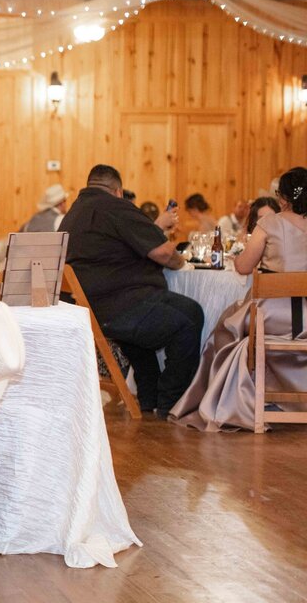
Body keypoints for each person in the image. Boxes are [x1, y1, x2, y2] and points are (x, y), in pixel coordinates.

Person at [59, 164, 203, 418]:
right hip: (119, 305)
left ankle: (149, 397)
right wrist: (183, 264)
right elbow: (163, 252)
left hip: (89, 307)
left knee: (186, 310)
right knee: (187, 323)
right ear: (118, 190)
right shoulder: (116, 206)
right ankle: (171, 401)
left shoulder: (73, 214)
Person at [170, 167, 307, 431]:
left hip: (273, 320)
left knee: (225, 328)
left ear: (285, 197)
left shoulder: (270, 223)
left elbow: (243, 267)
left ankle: (229, 400)